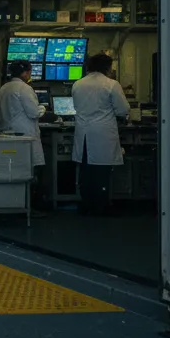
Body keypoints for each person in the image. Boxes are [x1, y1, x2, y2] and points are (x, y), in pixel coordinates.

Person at [71, 52, 130, 216]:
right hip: (102, 133)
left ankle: (86, 205)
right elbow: (123, 109)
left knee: (85, 172)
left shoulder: (78, 84)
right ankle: (101, 207)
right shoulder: (111, 84)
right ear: (107, 67)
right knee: (101, 173)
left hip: (83, 132)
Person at [0, 59, 46, 168]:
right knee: (27, 168)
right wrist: (42, 108)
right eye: (29, 73)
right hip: (25, 135)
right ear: (25, 73)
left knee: (14, 167)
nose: (30, 75)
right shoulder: (25, 88)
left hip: (7, 133)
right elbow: (34, 113)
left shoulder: (4, 88)